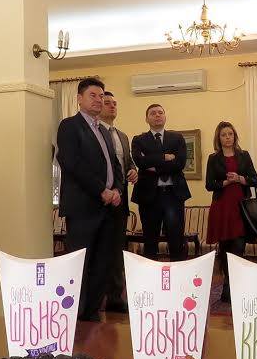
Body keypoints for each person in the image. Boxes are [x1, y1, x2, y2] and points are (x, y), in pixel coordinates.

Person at [56, 78, 125, 321]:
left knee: (103, 264)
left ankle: (92, 313)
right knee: (80, 265)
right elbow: (71, 163)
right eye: (93, 95)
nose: (99, 100)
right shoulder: (69, 126)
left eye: (101, 96)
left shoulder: (104, 131)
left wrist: (117, 190)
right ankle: (74, 315)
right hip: (83, 208)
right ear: (79, 99)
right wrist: (101, 190)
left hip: (108, 209)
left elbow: (116, 166)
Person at [205, 121, 257, 302]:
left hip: (241, 208)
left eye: (230, 134)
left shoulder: (244, 155)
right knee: (225, 249)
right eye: (224, 135)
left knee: (238, 247)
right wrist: (226, 182)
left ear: (235, 136)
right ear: (218, 138)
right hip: (222, 208)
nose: (227, 137)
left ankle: (237, 283)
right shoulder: (213, 158)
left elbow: (254, 180)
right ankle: (227, 284)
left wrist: (239, 178)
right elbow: (209, 185)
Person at [131, 104, 192, 261]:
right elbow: (140, 162)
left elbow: (179, 164)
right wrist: (164, 157)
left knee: (176, 241)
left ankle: (177, 274)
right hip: (149, 196)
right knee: (150, 241)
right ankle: (151, 276)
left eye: (160, 112)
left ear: (165, 117)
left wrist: (153, 164)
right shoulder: (139, 140)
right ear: (146, 119)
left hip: (173, 195)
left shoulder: (177, 138)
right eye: (153, 113)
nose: (157, 115)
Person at [99, 91, 138, 313]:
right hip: (101, 200)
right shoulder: (96, 132)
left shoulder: (122, 136)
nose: (112, 106)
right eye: (107, 103)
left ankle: (115, 297)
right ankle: (98, 297)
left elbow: (127, 162)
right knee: (101, 251)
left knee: (116, 251)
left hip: (121, 202)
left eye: (114, 103)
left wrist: (133, 170)